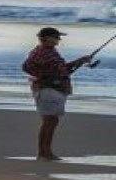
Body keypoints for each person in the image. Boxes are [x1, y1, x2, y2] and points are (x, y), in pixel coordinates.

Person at [23, 27, 95, 161]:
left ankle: (44, 152)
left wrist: (80, 61)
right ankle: (44, 153)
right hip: (49, 90)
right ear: (47, 38)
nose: (59, 39)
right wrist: (79, 62)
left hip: (48, 89)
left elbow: (61, 69)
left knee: (50, 120)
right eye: (56, 37)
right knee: (50, 121)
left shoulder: (42, 51)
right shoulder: (46, 53)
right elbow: (59, 70)